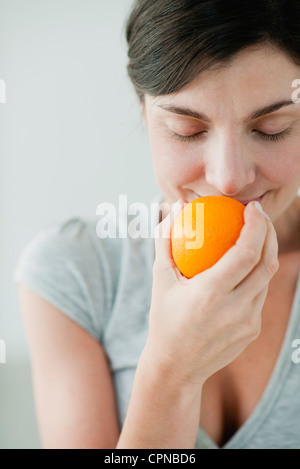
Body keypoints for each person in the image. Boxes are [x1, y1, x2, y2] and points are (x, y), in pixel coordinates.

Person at [14, 0, 300, 449]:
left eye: (272, 127)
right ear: (145, 114)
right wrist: (171, 372)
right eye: (187, 130)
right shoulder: (75, 272)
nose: (228, 178)